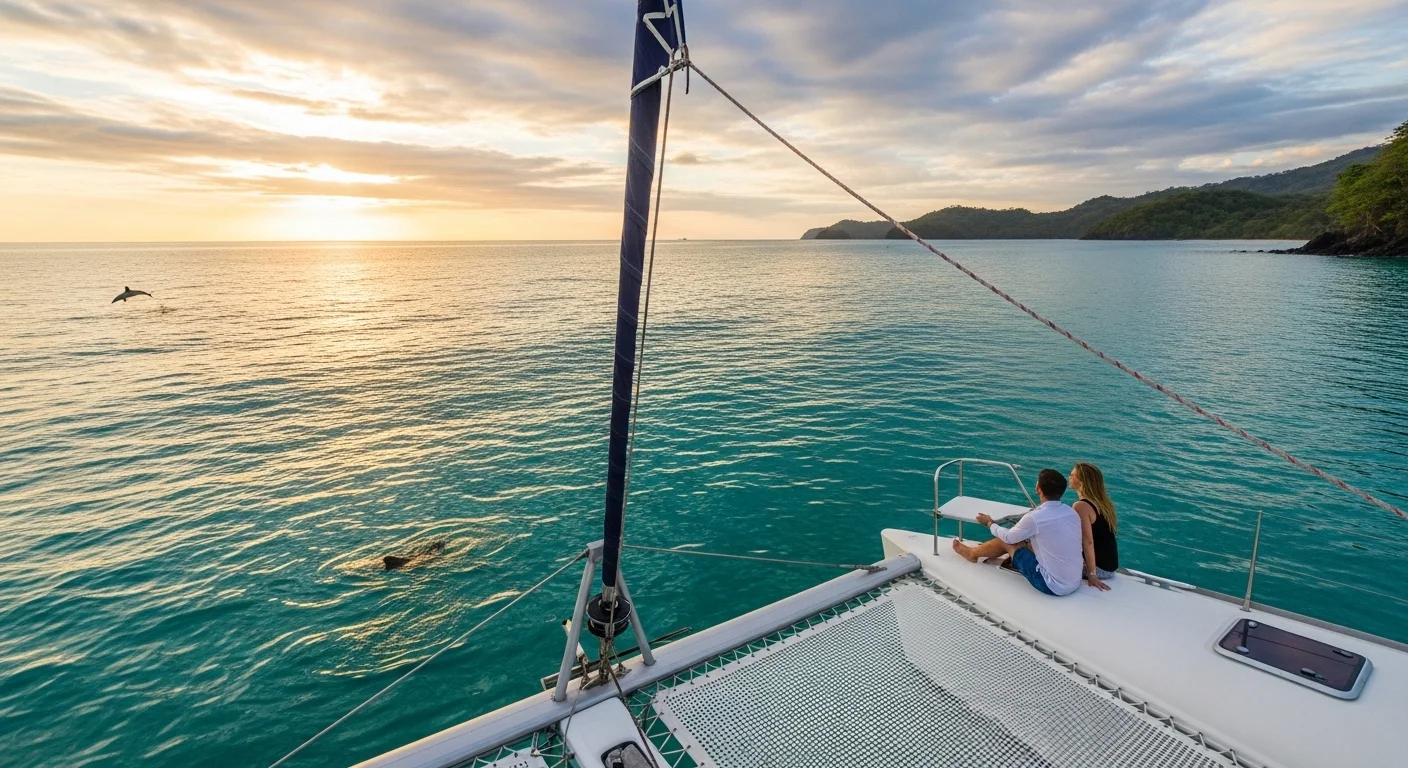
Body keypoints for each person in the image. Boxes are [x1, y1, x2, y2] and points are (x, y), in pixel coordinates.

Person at [951, 468, 1084, 596]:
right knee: (1026, 540)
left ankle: (972, 554)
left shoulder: (1035, 518)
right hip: (1074, 581)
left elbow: (1009, 538)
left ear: (1038, 489)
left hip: (1051, 585)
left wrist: (989, 523)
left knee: (1008, 541)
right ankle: (991, 554)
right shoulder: (1071, 512)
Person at [1070, 462, 1118, 590]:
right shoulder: (1104, 503)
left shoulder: (1081, 506)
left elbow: (1088, 541)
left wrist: (1092, 574)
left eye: (1072, 475)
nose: (1069, 477)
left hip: (1098, 569)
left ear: (1081, 481)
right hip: (1110, 567)